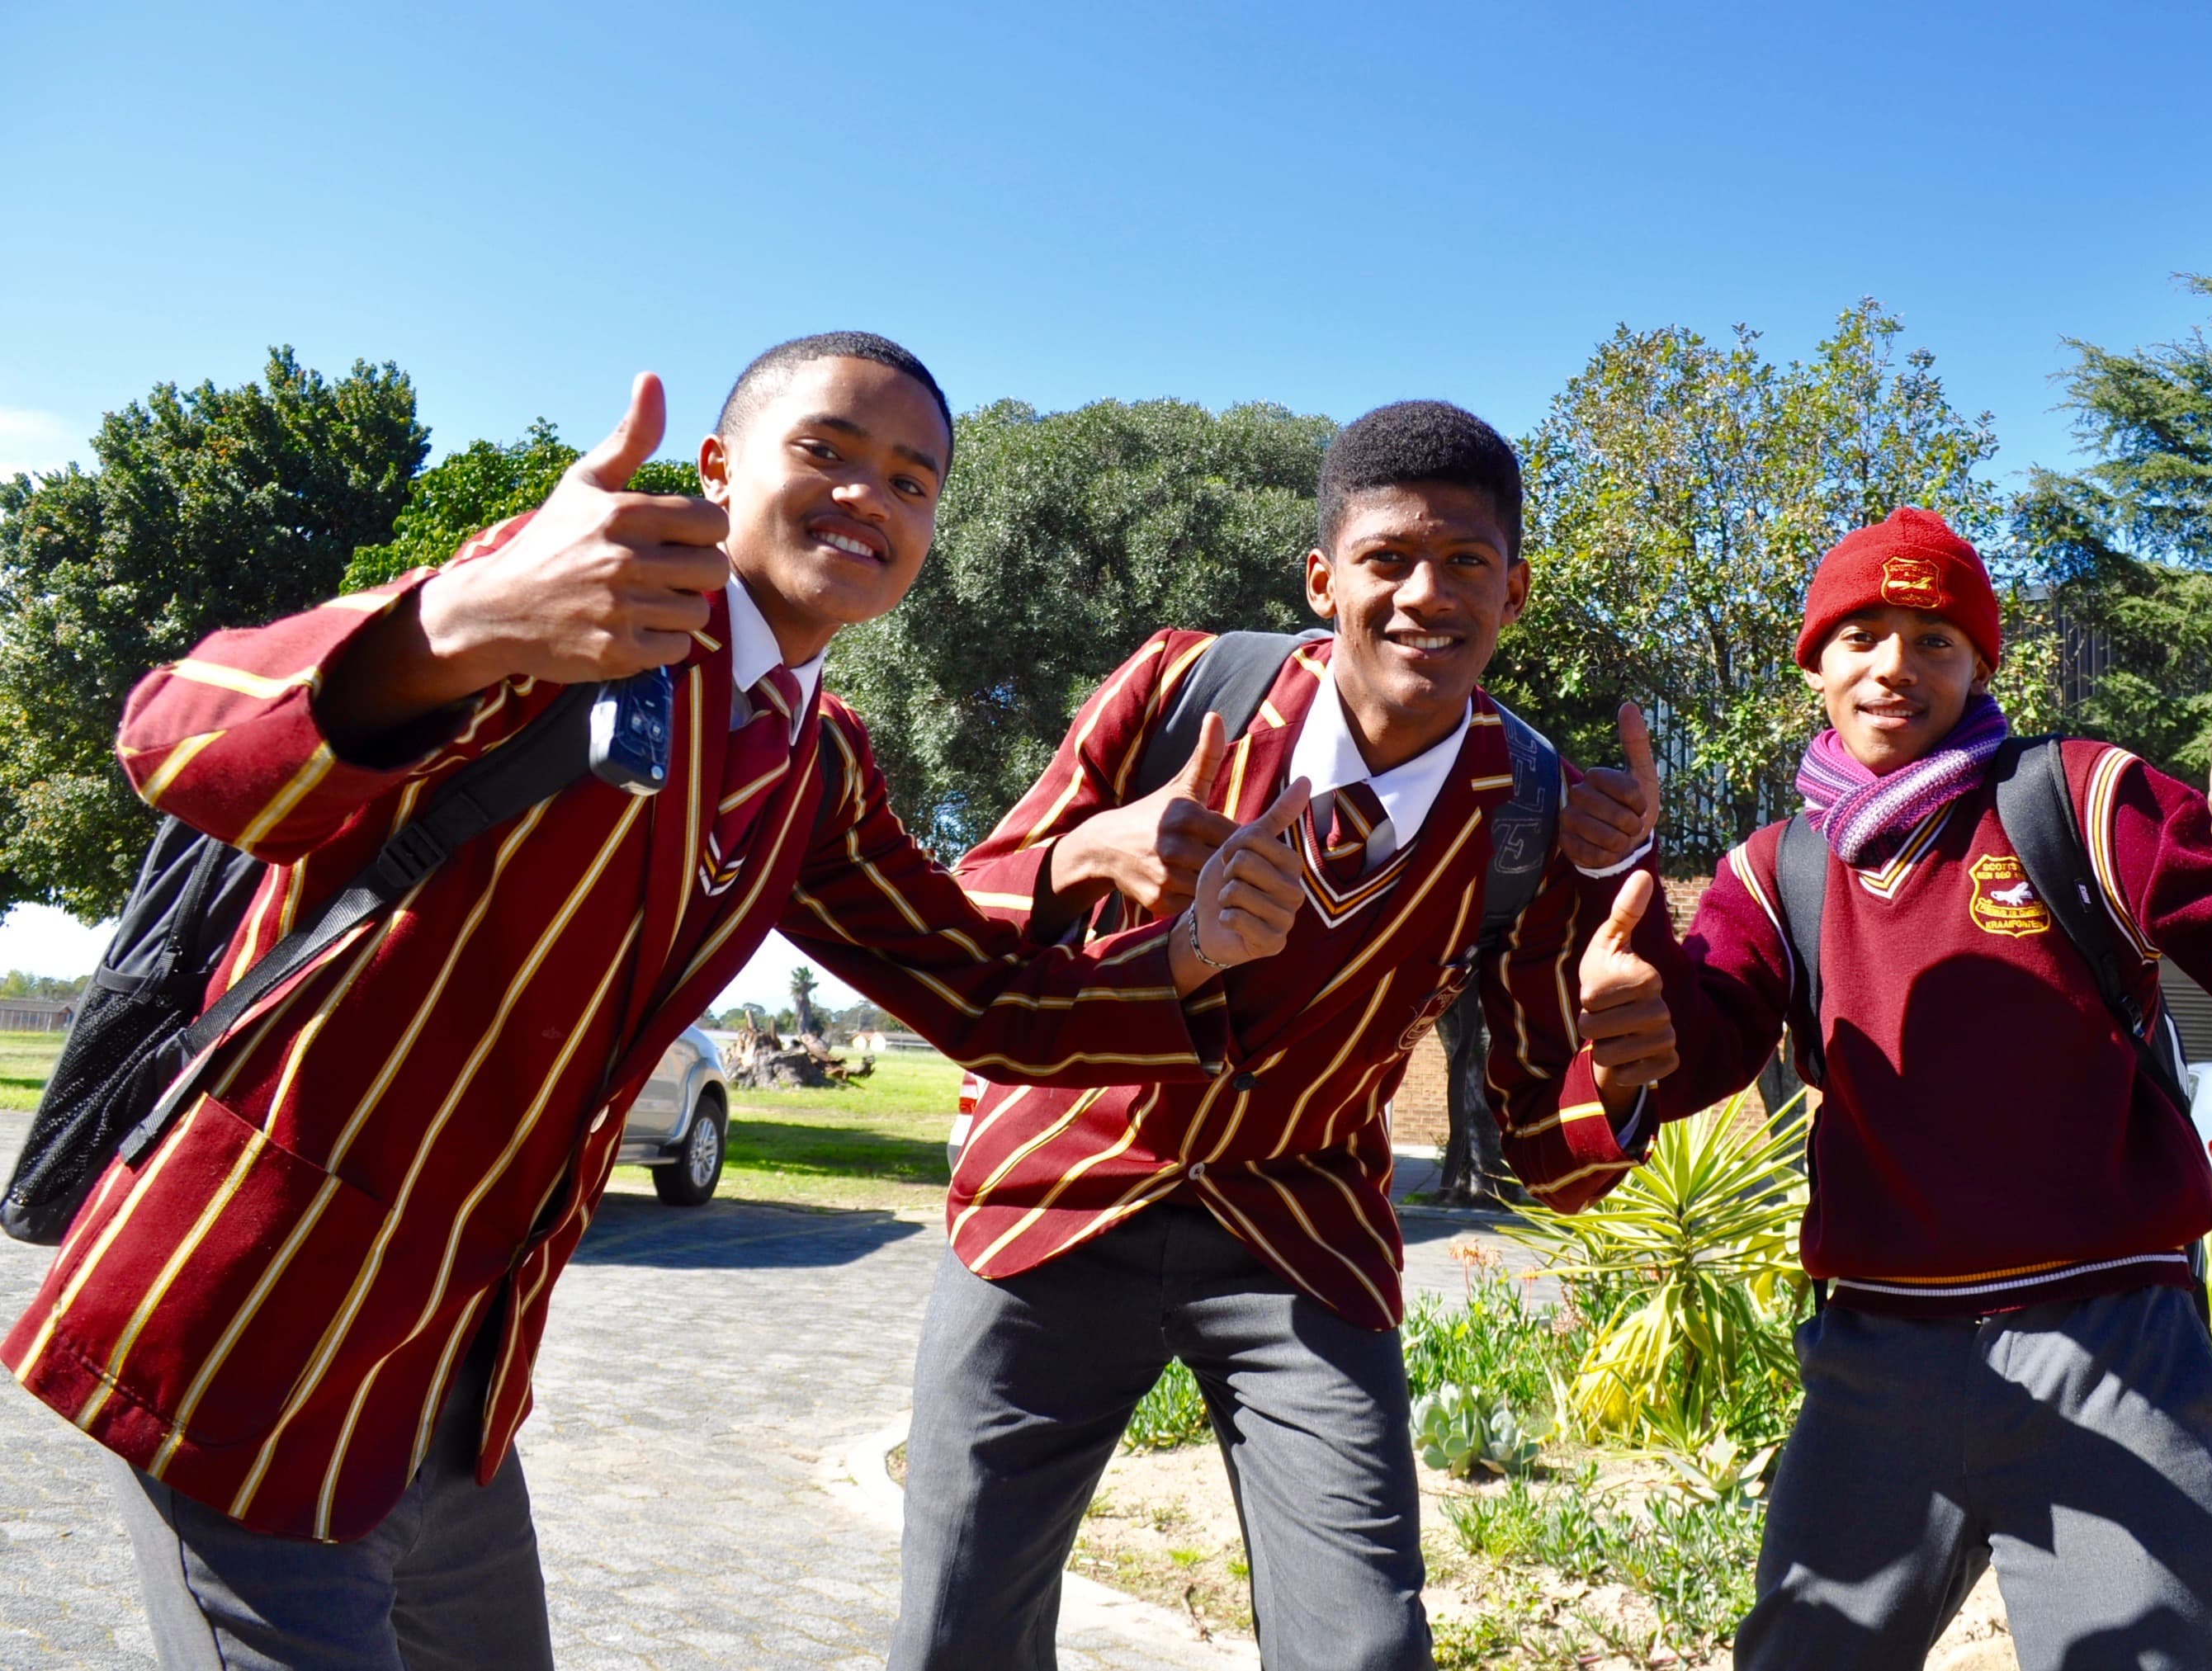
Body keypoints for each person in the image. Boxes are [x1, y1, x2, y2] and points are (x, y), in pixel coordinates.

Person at [3, 333, 1310, 1670]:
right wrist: (468, 621)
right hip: (251, 1332)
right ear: (719, 467)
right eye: (827, 451)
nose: (872, 496)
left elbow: (987, 997)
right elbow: (174, 734)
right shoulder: (580, 594)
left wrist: (1189, 955)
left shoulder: (817, 759)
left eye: (913, 482)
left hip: (446, 1392)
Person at [890, 400, 1681, 1671]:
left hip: (1298, 1233)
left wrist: (1626, 1060)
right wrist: (1098, 846)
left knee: (1363, 1647)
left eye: (1467, 562)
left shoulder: (1528, 814)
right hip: (1057, 1195)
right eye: (1388, 559)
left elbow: (1555, 1152)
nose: (1427, 593)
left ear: (1515, 591)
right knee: (956, 1639)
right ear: (1324, 578)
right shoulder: (1182, 686)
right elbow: (960, 924)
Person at [1643, 507, 2212, 1670]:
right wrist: (1615, 963)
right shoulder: (1775, 866)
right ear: (1815, 664)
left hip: (2107, 1345)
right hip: (1874, 1356)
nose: (1895, 666)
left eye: (1935, 638)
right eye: (1862, 635)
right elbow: (1685, 1050)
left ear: (1982, 664)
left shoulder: (2077, 800)